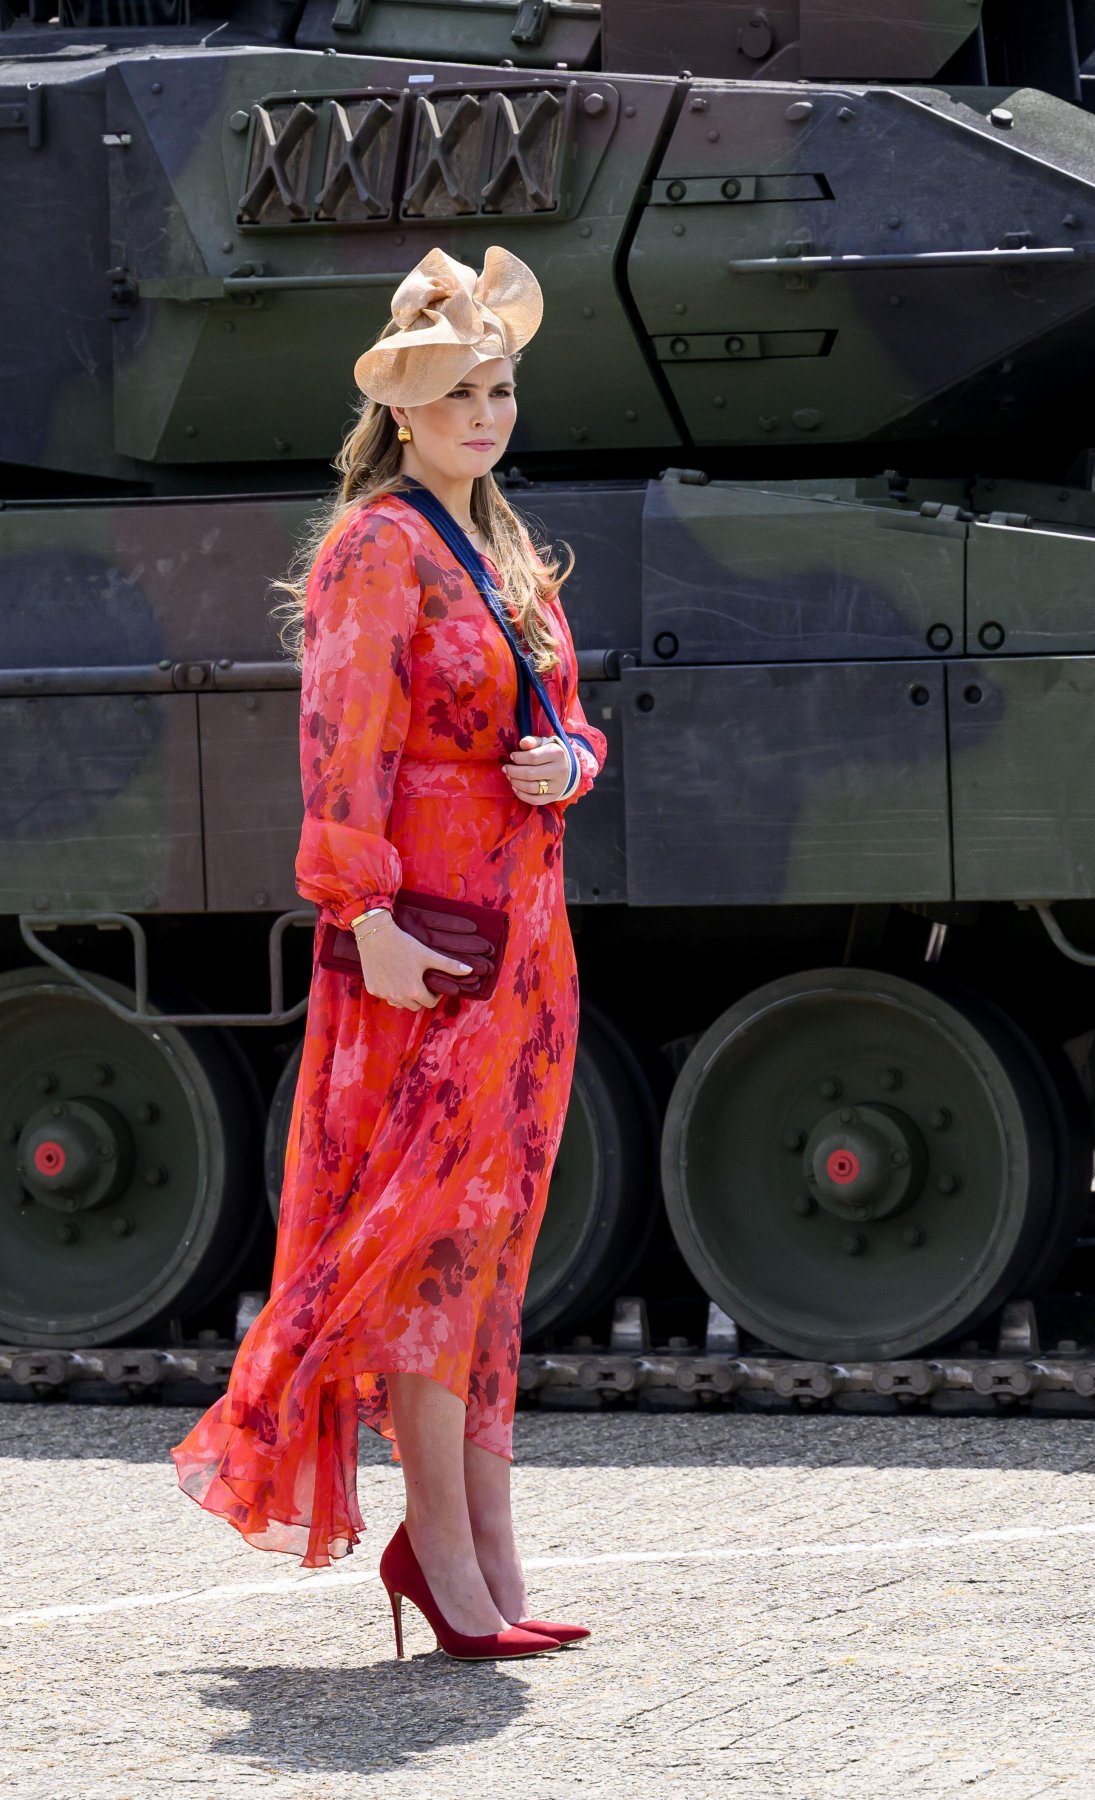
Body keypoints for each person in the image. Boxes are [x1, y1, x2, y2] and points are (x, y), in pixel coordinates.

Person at [169, 245, 607, 1663]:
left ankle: (485, 1552)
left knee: (487, 1251)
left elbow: (568, 716)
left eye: (501, 389)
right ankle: (448, 1560)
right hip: (427, 945)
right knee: (425, 1249)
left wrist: (570, 763)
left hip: (523, 942)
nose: (485, 415)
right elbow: (339, 740)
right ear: (404, 410)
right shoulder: (379, 544)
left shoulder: (507, 547)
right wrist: (364, 921)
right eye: (459, 392)